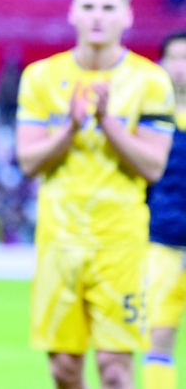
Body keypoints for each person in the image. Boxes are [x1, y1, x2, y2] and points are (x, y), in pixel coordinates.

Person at [16, 0, 175, 389]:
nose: (98, 17)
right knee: (64, 368)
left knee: (115, 367)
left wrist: (108, 123)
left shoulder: (150, 81)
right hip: (58, 240)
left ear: (128, 16)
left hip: (119, 240)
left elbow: (153, 167)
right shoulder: (40, 77)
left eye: (109, 8)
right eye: (88, 7)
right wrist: (70, 128)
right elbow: (29, 162)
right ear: (73, 14)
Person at [144, 32, 186, 389]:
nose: (181, 68)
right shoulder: (147, 118)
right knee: (159, 336)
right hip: (163, 242)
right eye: (175, 58)